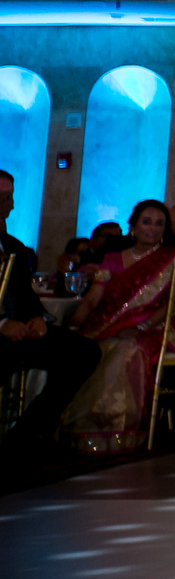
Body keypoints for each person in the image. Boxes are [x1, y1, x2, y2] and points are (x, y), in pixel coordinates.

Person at [61, 200, 175, 452]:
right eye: (146, 221)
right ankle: (83, 427)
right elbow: (93, 300)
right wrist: (74, 327)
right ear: (133, 226)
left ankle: (119, 427)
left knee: (124, 349)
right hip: (109, 326)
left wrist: (141, 326)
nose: (152, 228)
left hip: (155, 330)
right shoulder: (113, 259)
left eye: (159, 223)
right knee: (87, 348)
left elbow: (174, 305)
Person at [0, 170, 103, 462]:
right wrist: (3, 324)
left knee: (83, 352)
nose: (8, 205)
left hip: (19, 333)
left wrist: (38, 320)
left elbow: (27, 296)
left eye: (8, 198)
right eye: (2, 198)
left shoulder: (15, 248)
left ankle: (25, 437)